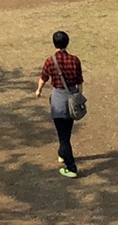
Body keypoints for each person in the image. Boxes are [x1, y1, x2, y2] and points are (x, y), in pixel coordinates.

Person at [34, 30, 85, 177]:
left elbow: (43, 78)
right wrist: (78, 96)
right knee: (66, 132)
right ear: (67, 42)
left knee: (62, 136)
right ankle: (62, 153)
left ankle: (71, 167)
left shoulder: (50, 61)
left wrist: (38, 90)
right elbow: (79, 81)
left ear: (54, 43)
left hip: (58, 100)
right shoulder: (75, 60)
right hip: (71, 99)